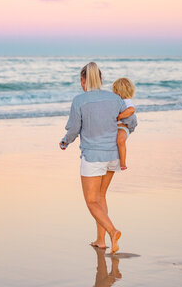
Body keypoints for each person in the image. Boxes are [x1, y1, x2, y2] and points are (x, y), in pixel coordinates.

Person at [59, 62, 128, 254]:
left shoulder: (79, 100)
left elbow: (73, 129)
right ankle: (101, 240)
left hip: (93, 157)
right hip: (113, 155)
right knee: (101, 196)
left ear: (83, 81)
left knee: (91, 201)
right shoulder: (115, 99)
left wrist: (65, 142)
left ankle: (112, 232)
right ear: (101, 79)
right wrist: (120, 130)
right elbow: (131, 121)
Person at [112, 78, 137, 170]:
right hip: (114, 127)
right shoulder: (115, 102)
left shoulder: (127, 101)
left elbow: (131, 110)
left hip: (123, 128)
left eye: (115, 91)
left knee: (120, 140)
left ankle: (123, 162)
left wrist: (120, 116)